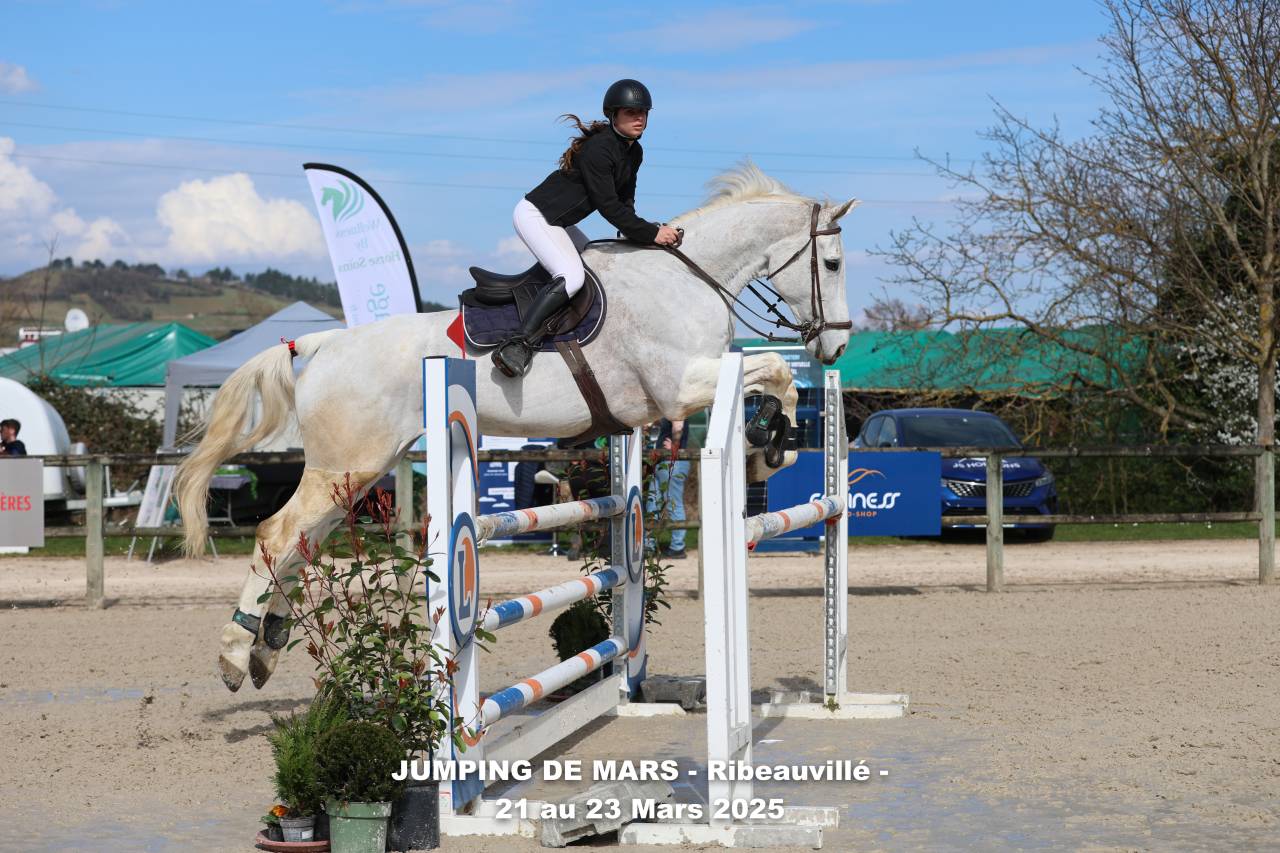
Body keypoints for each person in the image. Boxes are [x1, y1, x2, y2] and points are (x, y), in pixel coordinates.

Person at [492, 78, 682, 378]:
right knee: (571, 276)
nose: (640, 118)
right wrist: (651, 233)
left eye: (644, 112)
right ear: (613, 114)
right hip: (536, 216)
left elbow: (624, 201)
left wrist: (638, 233)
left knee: (597, 264)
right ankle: (519, 344)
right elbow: (608, 206)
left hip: (560, 222)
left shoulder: (634, 151)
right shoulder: (600, 149)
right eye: (631, 112)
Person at [646, 418, 689, 559]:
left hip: (672, 461)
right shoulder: (671, 409)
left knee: (673, 504)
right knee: (653, 503)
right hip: (663, 461)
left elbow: (678, 426)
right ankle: (649, 546)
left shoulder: (677, 408)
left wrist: (675, 447)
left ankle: (677, 547)